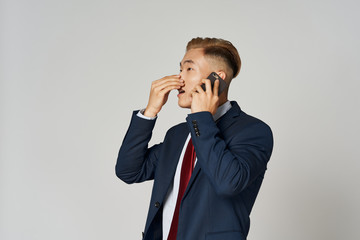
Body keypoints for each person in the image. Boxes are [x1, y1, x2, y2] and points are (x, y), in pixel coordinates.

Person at [116, 37, 273, 240]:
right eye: (180, 69)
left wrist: (201, 118)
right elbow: (129, 171)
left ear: (217, 78)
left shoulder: (253, 131)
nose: (179, 77)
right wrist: (150, 112)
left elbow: (228, 183)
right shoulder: (178, 135)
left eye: (189, 69)